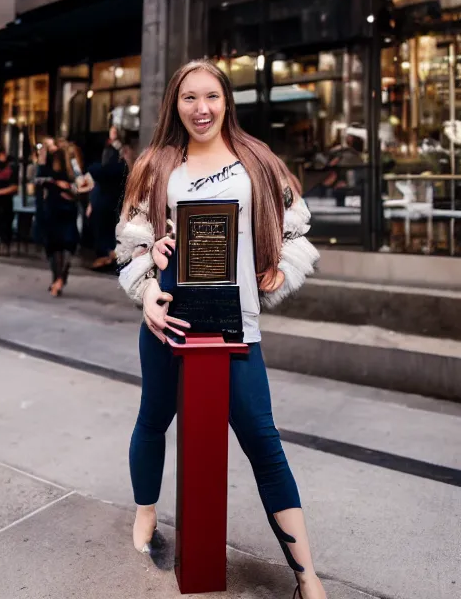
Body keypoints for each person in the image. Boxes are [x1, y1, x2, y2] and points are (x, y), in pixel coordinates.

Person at [115, 60, 323, 599]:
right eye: (189, 98)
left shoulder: (258, 162)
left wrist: (280, 267)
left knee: (263, 440)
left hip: (236, 328)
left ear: (227, 100)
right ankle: (145, 512)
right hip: (170, 322)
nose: (201, 108)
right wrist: (148, 286)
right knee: (153, 418)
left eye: (211, 96)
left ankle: (306, 574)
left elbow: (297, 232)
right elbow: (132, 247)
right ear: (174, 105)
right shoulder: (156, 166)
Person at [36, 138, 82, 297]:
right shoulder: (64, 163)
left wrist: (68, 187)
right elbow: (40, 180)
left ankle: (59, 279)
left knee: (61, 244)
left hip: (60, 207)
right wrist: (59, 184)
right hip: (56, 207)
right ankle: (58, 279)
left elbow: (82, 184)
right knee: (60, 244)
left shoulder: (67, 162)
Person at [86, 127, 129, 270]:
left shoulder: (118, 153)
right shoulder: (110, 151)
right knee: (104, 229)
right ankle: (108, 257)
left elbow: (109, 171)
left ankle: (109, 257)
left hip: (110, 198)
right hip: (107, 197)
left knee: (105, 229)